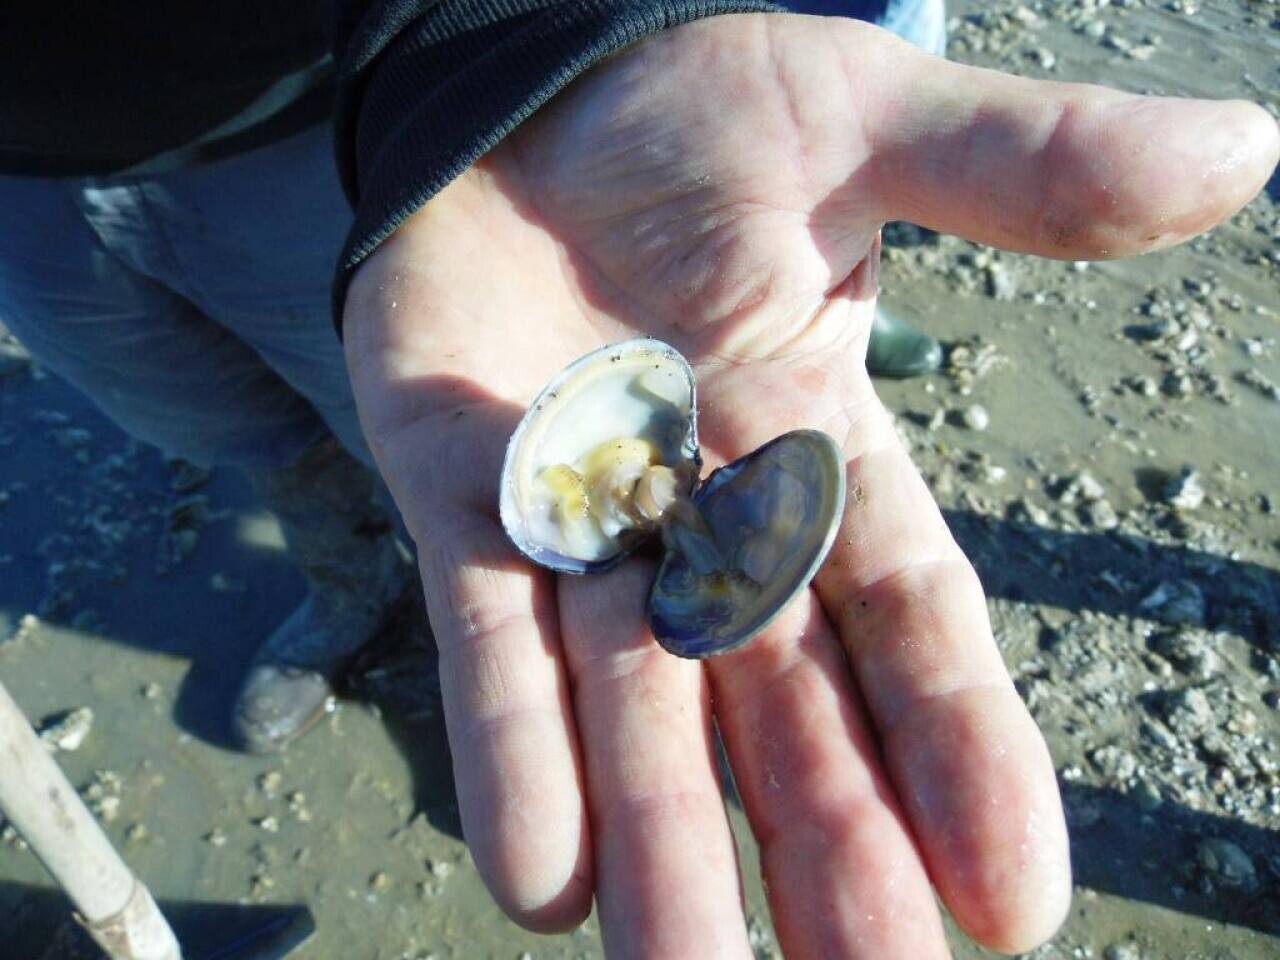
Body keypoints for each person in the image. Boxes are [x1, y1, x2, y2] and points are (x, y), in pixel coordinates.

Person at [1, 2, 1275, 957]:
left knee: (398, 431)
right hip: (32, 172)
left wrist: (533, 37)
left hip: (370, 112)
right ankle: (348, 592)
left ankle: (825, 283)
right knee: (241, 429)